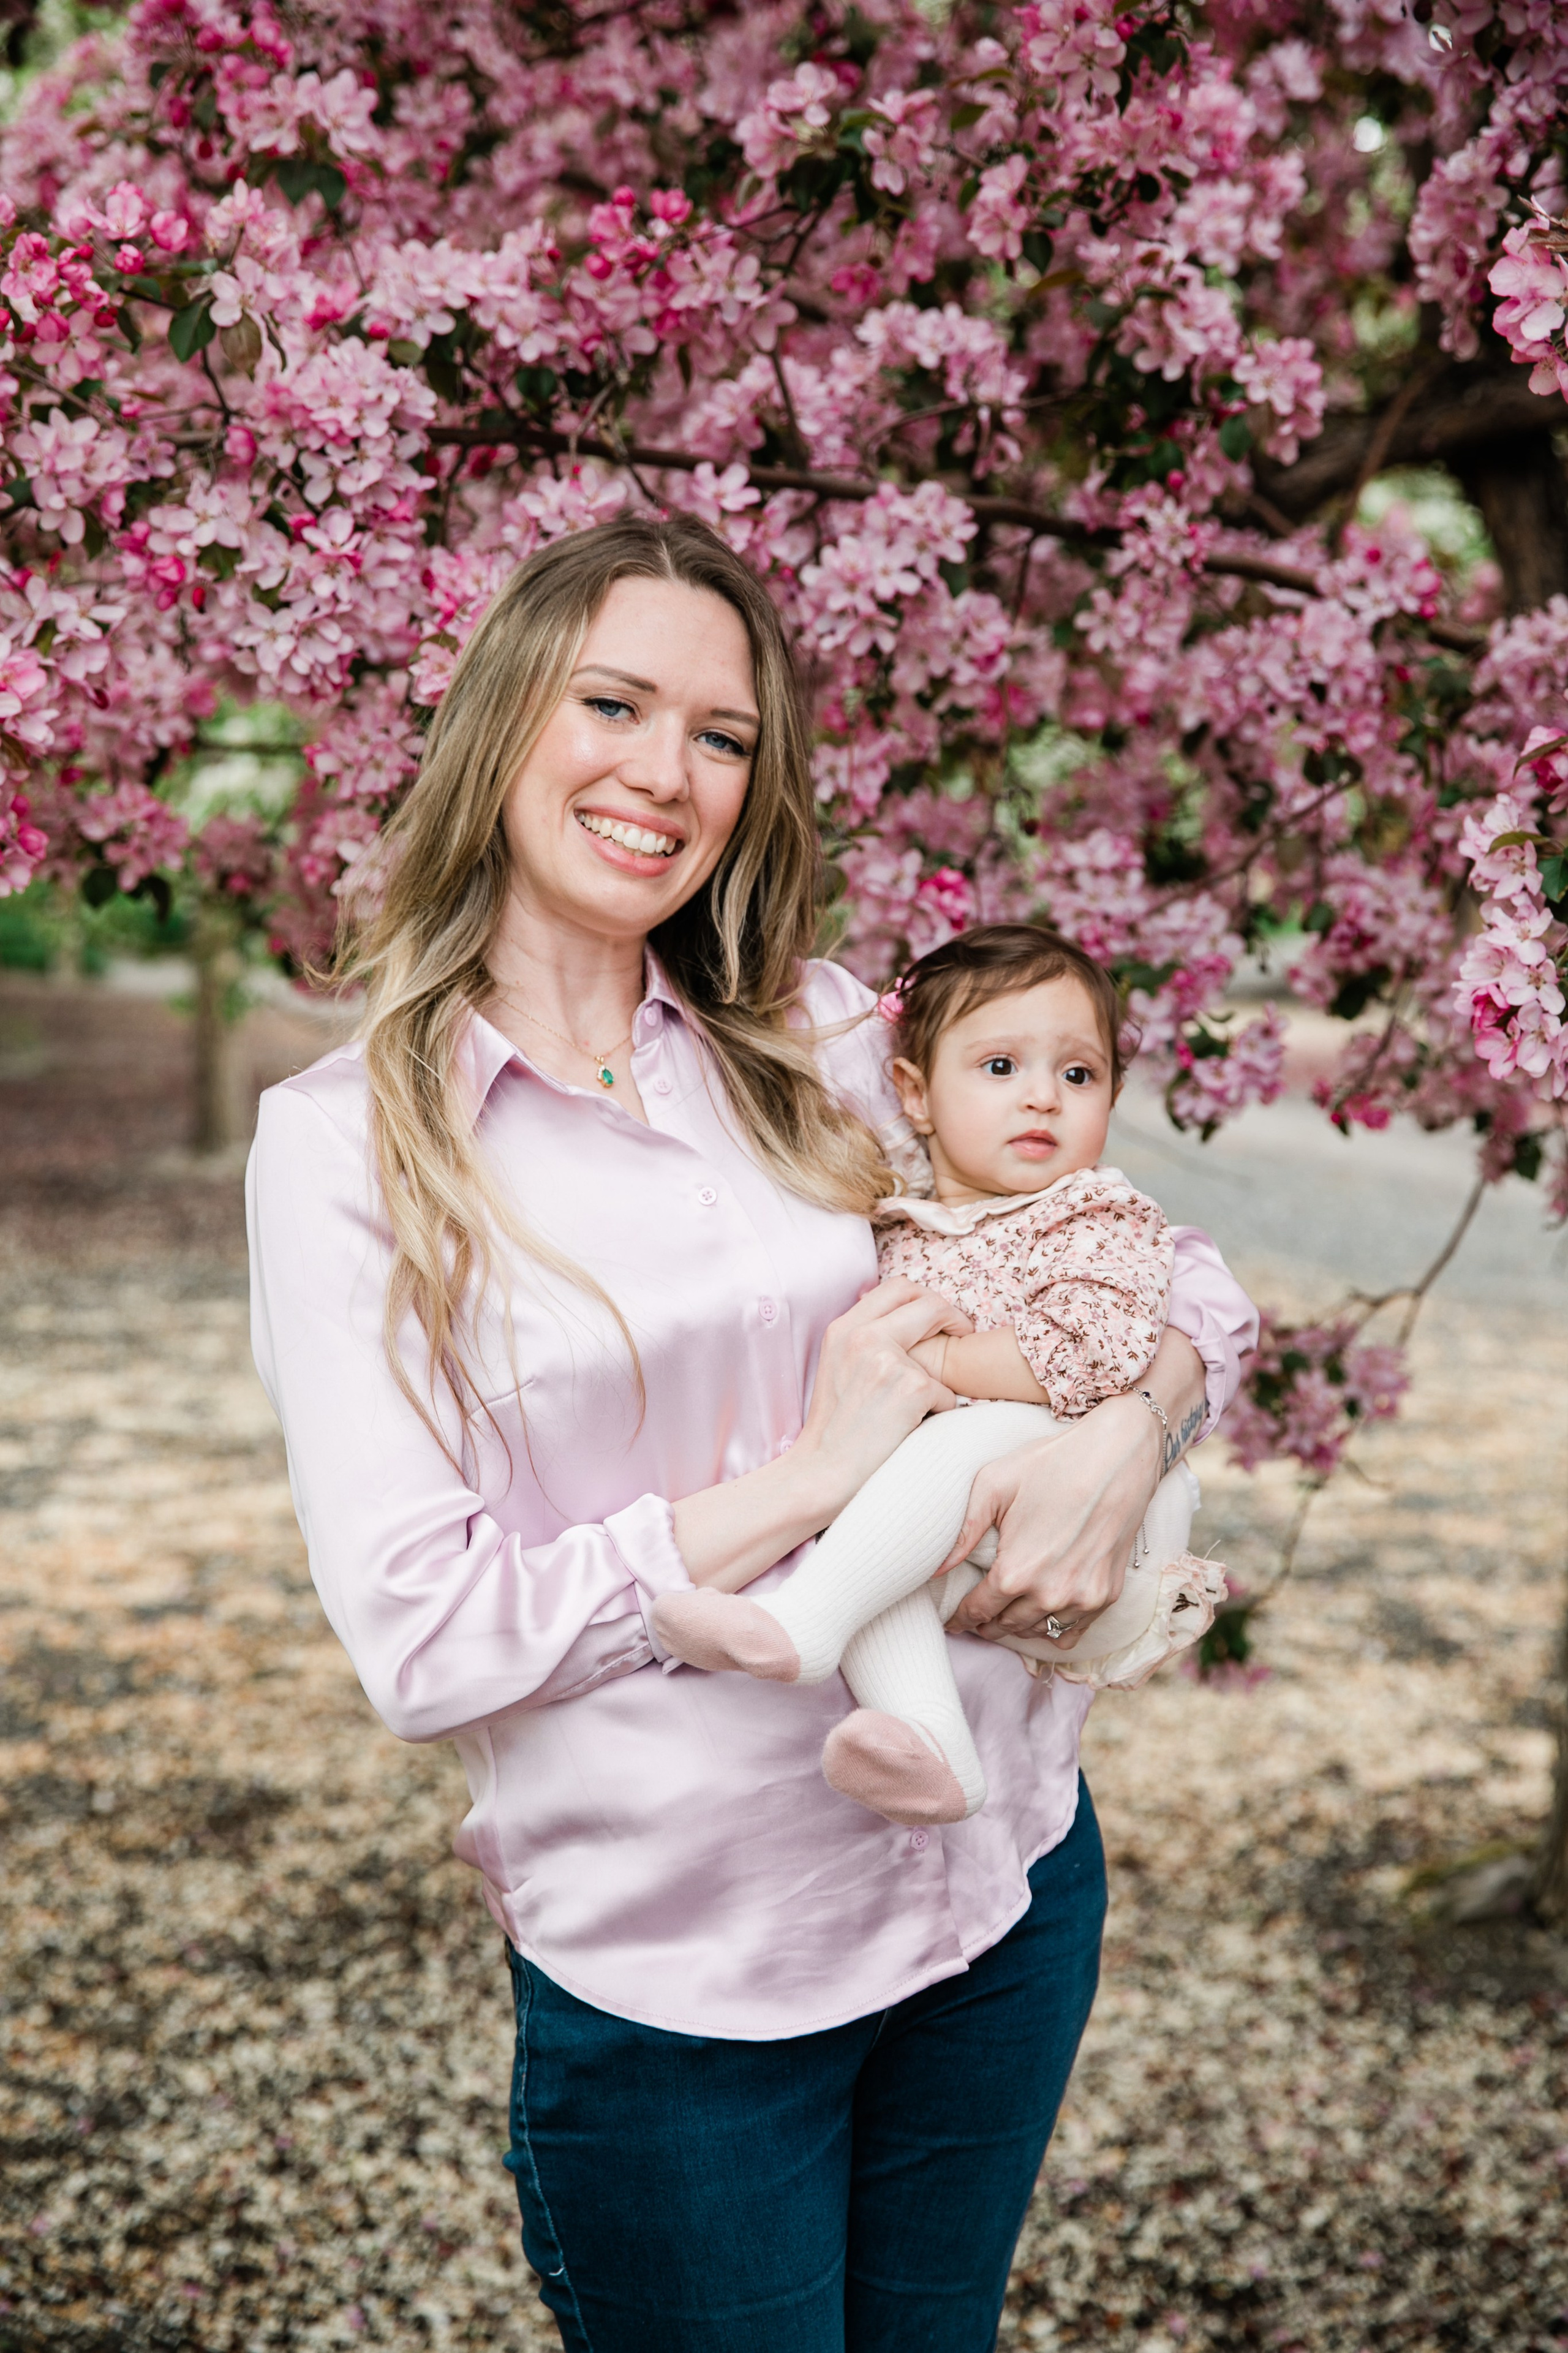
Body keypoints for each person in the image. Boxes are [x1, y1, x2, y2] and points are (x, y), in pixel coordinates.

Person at [246, 513, 1257, 2353]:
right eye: (615, 703)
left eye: (722, 734)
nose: (668, 772)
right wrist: (801, 1486)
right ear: (500, 721)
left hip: (999, 1879)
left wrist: (1131, 1430)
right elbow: (427, 1637)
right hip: (694, 1980)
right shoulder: (346, 1148)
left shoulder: (827, 1032)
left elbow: (1167, 1266)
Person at [652, 923, 1228, 1829]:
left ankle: (806, 1622)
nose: (1042, 1097)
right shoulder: (905, 1219)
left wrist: (943, 1363)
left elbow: (1099, 1352)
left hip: (1085, 1505)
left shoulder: (1095, 1211)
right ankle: (933, 1747)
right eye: (1000, 1067)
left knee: (957, 1433)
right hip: (974, 1541)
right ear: (915, 1095)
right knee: (882, 1547)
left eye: (1078, 1075)